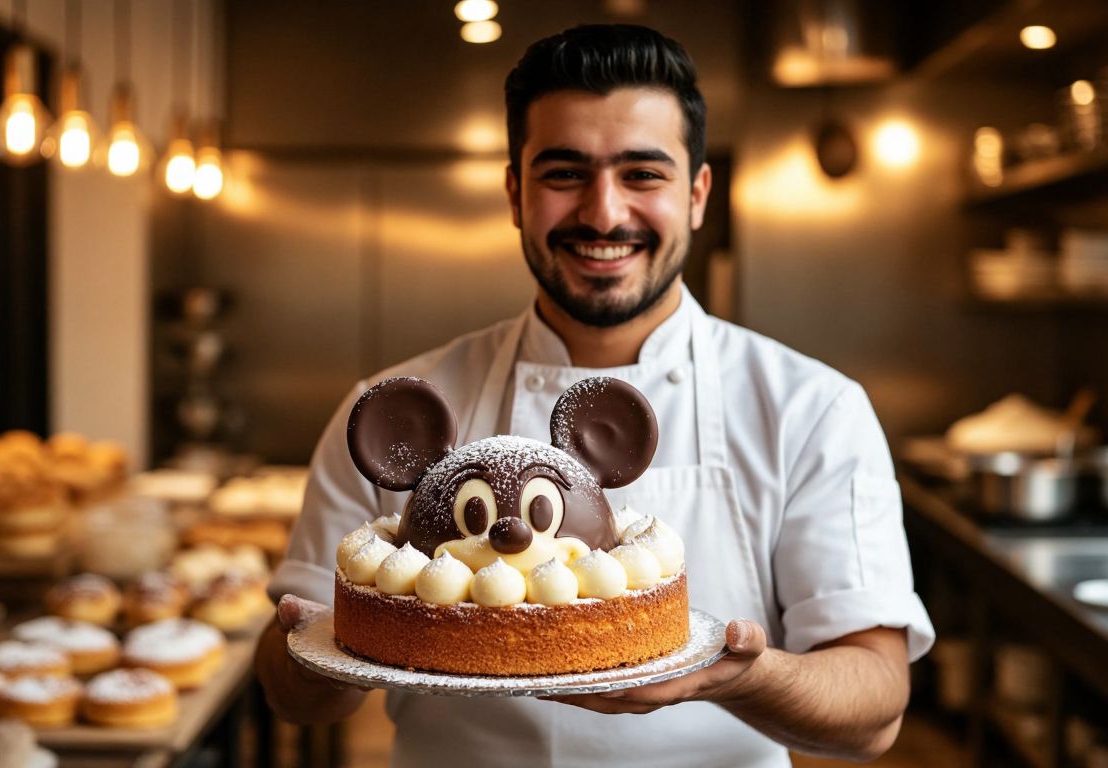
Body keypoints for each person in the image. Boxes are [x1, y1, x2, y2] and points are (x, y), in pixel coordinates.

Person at [256, 24, 934, 767]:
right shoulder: (399, 408)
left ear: (698, 195)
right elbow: (296, 693)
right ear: (515, 193)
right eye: (563, 173)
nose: (604, 213)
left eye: (642, 174)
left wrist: (734, 678)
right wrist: (310, 650)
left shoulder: (811, 411)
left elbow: (874, 705)